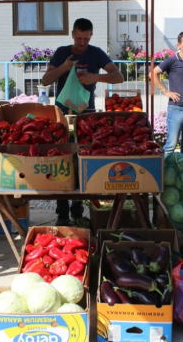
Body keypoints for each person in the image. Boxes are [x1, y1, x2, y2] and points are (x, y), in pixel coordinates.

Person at [42, 18, 124, 226]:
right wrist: (64, 68)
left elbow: (119, 76)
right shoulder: (62, 52)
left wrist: (95, 78)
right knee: (62, 160)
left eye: (86, 38)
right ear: (72, 34)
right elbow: (45, 80)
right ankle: (62, 213)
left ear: (91, 36)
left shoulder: (96, 53)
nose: (82, 42)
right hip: (62, 115)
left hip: (87, 116)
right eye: (79, 38)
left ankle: (78, 211)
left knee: (82, 161)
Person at [150, 31, 183, 159]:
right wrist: (166, 92)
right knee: (171, 146)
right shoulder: (172, 61)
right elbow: (152, 74)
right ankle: (162, 174)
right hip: (176, 108)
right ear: (179, 45)